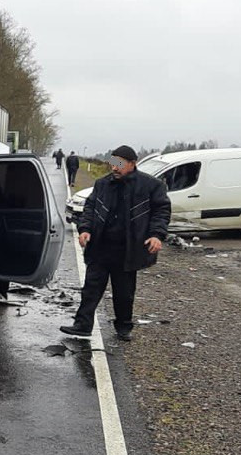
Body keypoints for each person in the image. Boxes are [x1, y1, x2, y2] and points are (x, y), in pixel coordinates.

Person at [60, 145, 170, 341]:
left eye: (119, 164)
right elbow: (90, 208)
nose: (115, 168)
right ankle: (82, 325)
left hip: (128, 249)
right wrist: (85, 230)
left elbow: (161, 212)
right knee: (91, 289)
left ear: (132, 164)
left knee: (124, 293)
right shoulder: (102, 184)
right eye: (113, 163)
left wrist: (156, 235)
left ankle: (124, 327)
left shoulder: (150, 186)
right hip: (101, 247)